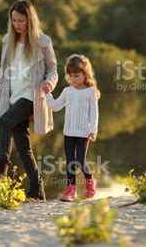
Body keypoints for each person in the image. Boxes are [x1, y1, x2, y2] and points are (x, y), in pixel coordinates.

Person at [0, 0, 58, 201]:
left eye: (21, 21)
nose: (17, 25)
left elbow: (52, 67)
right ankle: (37, 189)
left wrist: (50, 82)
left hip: (31, 94)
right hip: (12, 95)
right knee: (23, 146)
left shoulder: (43, 42)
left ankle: (1, 169)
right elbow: (3, 72)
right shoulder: (8, 41)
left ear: (30, 20)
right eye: (14, 20)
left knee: (4, 122)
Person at [43, 54, 100, 201]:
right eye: (71, 76)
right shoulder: (68, 91)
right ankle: (71, 190)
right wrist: (47, 94)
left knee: (80, 161)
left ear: (85, 74)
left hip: (83, 133)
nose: (73, 79)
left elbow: (94, 113)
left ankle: (90, 180)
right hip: (68, 133)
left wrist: (93, 131)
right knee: (70, 162)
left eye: (76, 76)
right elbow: (55, 107)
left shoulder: (90, 92)